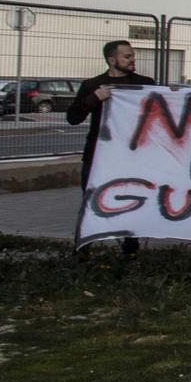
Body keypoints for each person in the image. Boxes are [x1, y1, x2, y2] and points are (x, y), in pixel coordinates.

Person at [67, 39, 154, 254]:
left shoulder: (145, 83)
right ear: (112, 60)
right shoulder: (92, 85)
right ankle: (83, 250)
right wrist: (94, 98)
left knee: (131, 202)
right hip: (98, 155)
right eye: (127, 56)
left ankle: (130, 249)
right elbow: (73, 117)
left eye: (133, 55)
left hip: (130, 155)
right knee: (90, 203)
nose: (133, 59)